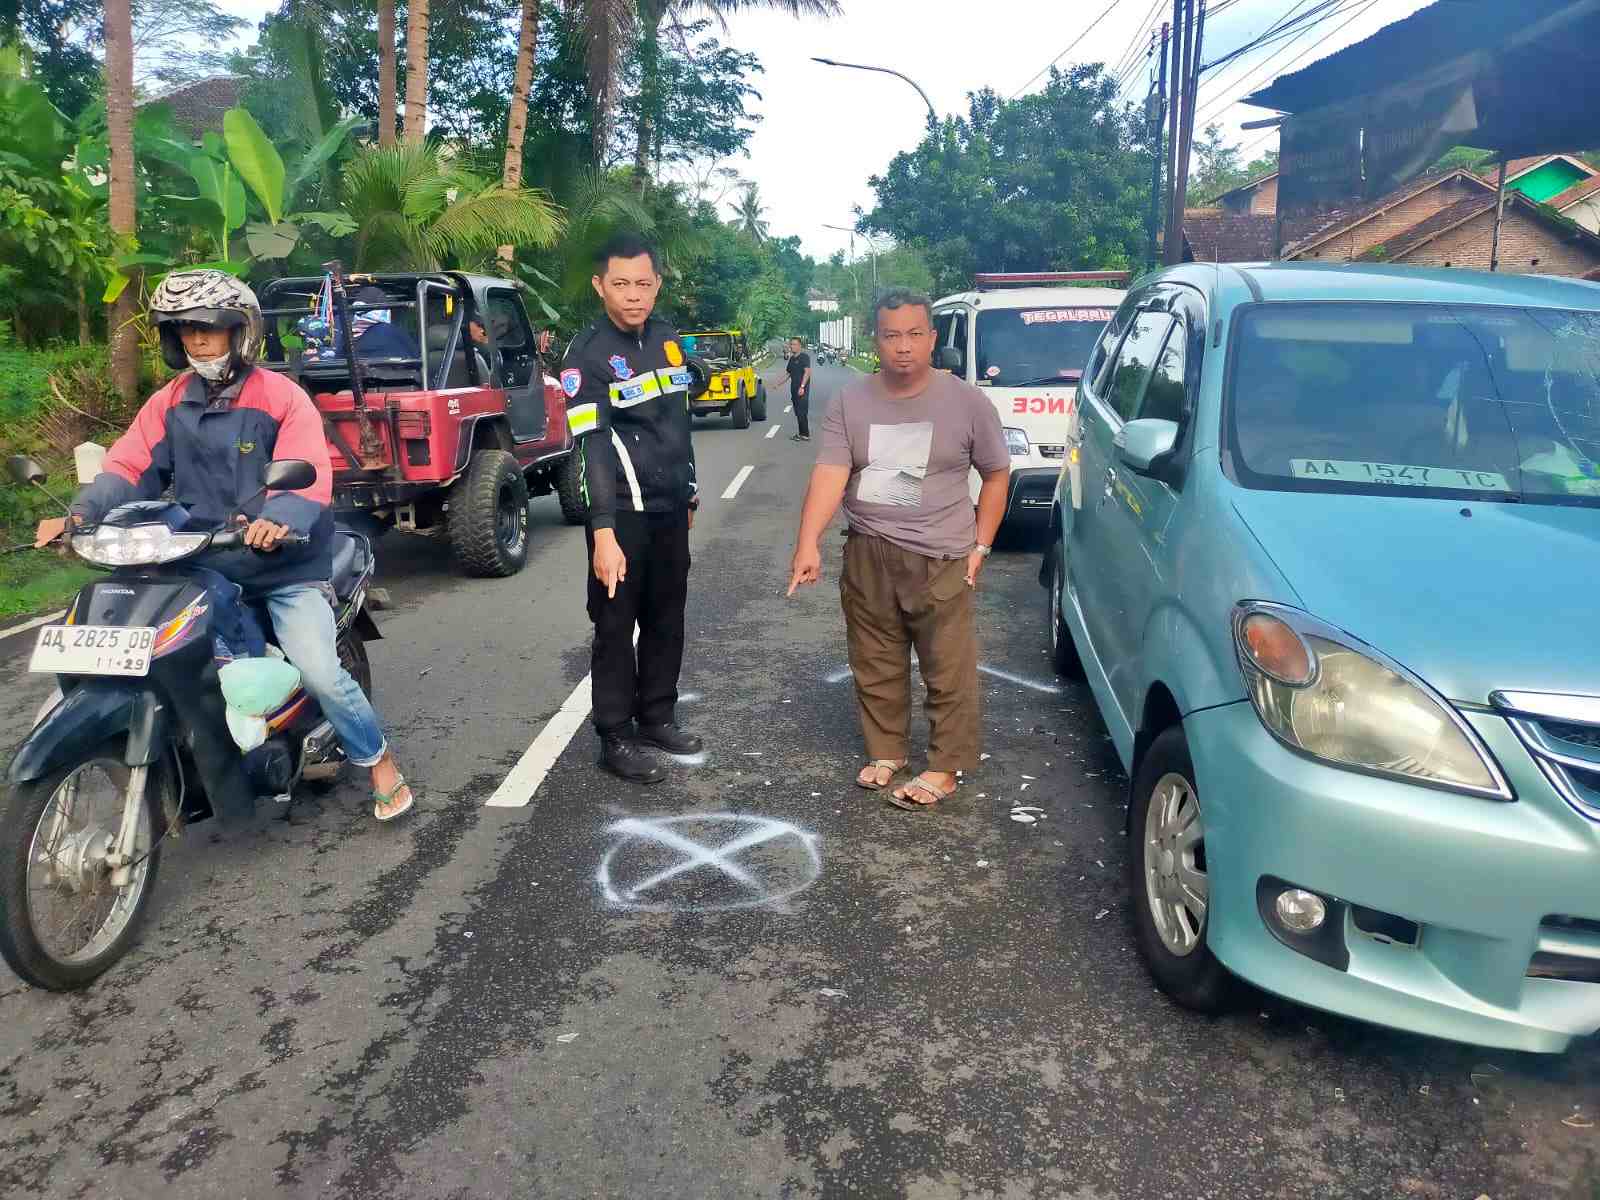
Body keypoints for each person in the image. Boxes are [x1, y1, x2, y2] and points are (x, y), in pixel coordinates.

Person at [36, 269, 415, 822]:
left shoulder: (282, 397)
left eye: (208, 328)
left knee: (318, 670)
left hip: (283, 564)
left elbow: (307, 471)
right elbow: (128, 464)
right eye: (185, 329)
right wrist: (79, 513)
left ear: (241, 332)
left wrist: (278, 518)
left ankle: (381, 764)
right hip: (201, 559)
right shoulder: (169, 402)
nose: (195, 340)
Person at [786, 288, 1010, 810]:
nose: (903, 347)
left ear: (932, 339)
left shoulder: (966, 401)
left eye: (914, 334)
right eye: (892, 336)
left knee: (946, 664)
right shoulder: (852, 400)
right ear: (877, 340)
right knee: (875, 658)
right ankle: (886, 750)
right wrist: (807, 543)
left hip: (941, 556)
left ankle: (944, 766)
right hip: (868, 549)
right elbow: (832, 471)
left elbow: (997, 475)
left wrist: (982, 545)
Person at [562, 232, 705, 784]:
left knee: (668, 617)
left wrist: (689, 487)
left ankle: (657, 718)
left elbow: (679, 424)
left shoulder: (669, 341)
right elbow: (591, 445)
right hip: (621, 514)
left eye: (643, 283)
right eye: (620, 284)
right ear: (601, 286)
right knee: (616, 625)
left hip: (670, 508)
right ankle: (615, 735)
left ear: (657, 285)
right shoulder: (586, 357)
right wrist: (602, 532)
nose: (633, 295)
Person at [787, 337, 813, 442]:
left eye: (794, 344)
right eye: (791, 344)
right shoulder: (792, 359)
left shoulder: (804, 357)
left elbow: (807, 372)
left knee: (802, 412)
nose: (792, 346)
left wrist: (802, 387)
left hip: (802, 390)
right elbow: (788, 373)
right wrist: (777, 384)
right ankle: (802, 434)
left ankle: (805, 434)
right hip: (793, 390)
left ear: (799, 346)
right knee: (797, 412)